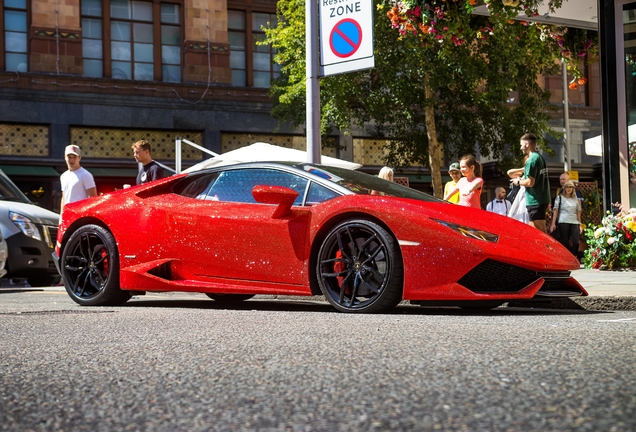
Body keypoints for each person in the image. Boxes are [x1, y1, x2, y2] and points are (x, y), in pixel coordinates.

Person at [511, 133, 551, 232]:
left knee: (540, 231)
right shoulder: (539, 157)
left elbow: (530, 182)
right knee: (533, 231)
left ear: (527, 144)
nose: (521, 148)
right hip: (540, 199)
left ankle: (547, 248)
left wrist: (518, 181)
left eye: (521, 145)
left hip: (535, 200)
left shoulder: (531, 160)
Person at [60, 145, 97, 214]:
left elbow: (93, 198)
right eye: (69, 157)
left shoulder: (86, 175)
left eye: (74, 157)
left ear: (79, 158)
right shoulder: (63, 176)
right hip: (67, 214)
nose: (72, 160)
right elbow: (64, 198)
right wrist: (61, 217)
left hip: (80, 214)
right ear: (65, 157)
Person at [549, 180, 582, 256]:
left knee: (576, 240)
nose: (569, 189)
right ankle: (565, 257)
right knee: (564, 241)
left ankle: (574, 256)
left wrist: (580, 224)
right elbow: (555, 211)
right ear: (564, 188)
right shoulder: (560, 198)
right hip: (563, 221)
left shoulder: (576, 199)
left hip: (574, 221)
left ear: (573, 189)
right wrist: (553, 224)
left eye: (570, 187)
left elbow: (578, 212)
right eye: (567, 187)